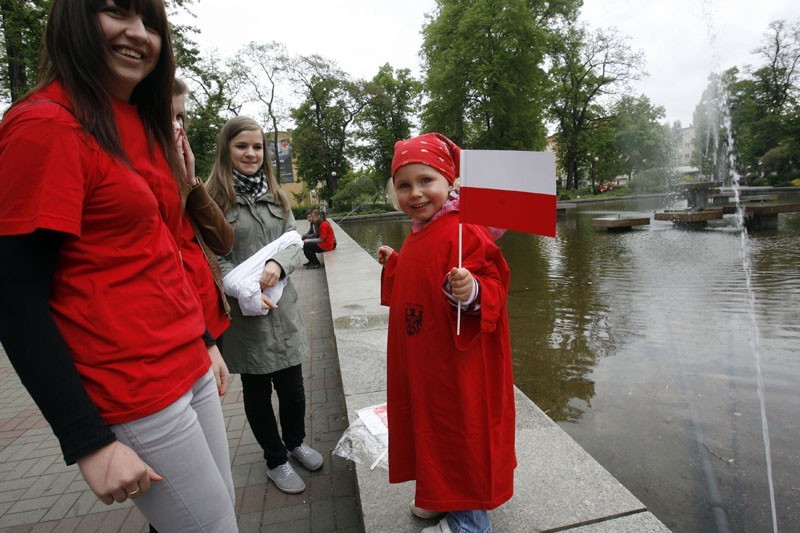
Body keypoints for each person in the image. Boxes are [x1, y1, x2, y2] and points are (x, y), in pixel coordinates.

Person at [0, 1, 237, 531]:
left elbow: (164, 249)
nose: (139, 34)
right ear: (74, 19)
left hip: (187, 366)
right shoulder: (46, 127)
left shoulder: (138, 119)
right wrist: (88, 441)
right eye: (115, 12)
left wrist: (204, 340)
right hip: (134, 391)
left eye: (151, 22)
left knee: (219, 517)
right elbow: (14, 298)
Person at [377, 133, 516, 533]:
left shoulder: (464, 230)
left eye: (426, 181)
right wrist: (398, 264)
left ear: (449, 181)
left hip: (459, 365)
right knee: (431, 425)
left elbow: (494, 286)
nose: (416, 194)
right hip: (429, 361)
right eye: (404, 185)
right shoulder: (422, 228)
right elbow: (423, 276)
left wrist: (471, 291)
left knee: (460, 434)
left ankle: (468, 521)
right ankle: (439, 494)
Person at [206, 116, 324, 494]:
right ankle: (275, 460)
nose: (251, 153)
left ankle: (296, 443)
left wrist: (277, 264)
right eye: (242, 146)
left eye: (257, 147)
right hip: (246, 316)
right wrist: (243, 288)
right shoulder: (211, 199)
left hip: (283, 309)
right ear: (227, 149)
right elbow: (210, 255)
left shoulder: (277, 193)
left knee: (293, 389)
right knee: (257, 392)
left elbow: (293, 242)